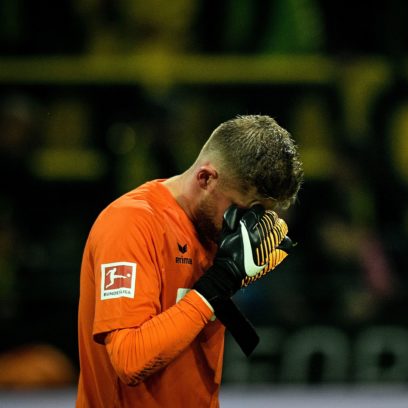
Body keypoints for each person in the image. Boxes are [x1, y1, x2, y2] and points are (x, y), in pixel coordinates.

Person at [76, 115, 303, 407]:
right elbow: (129, 360)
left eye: (260, 214)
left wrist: (229, 282)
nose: (247, 226)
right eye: (241, 210)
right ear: (206, 178)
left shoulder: (219, 235)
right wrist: (217, 285)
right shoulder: (131, 223)